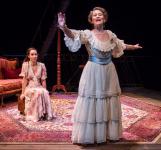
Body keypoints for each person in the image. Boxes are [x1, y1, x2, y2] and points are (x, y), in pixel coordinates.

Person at [57, 6, 142, 144]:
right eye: (95, 15)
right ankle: (91, 136)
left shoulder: (110, 34)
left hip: (109, 70)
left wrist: (134, 46)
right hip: (93, 70)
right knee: (93, 99)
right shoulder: (88, 34)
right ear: (91, 19)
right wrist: (64, 27)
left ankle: (108, 134)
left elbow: (121, 45)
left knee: (108, 99)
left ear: (104, 18)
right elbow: (73, 35)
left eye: (100, 14)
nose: (97, 16)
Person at [19, 47, 54, 122]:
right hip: (30, 87)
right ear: (28, 56)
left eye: (35, 54)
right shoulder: (25, 65)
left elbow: (43, 80)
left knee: (44, 92)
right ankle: (35, 115)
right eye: (32, 54)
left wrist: (45, 90)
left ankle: (44, 113)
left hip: (38, 86)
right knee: (37, 93)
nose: (34, 56)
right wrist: (22, 93)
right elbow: (24, 80)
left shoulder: (42, 65)